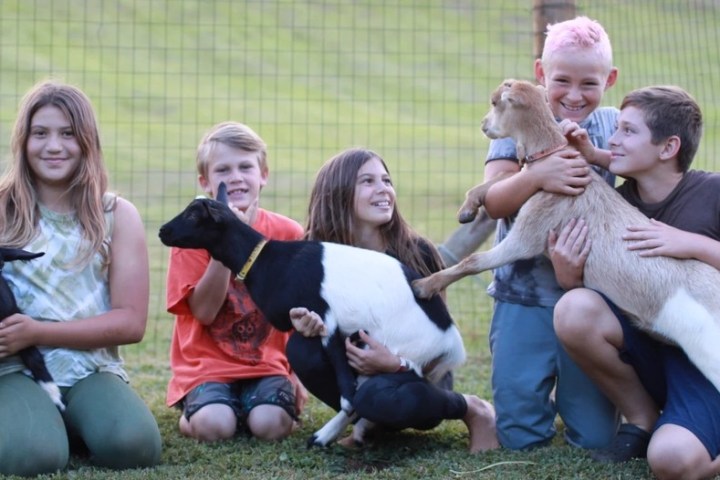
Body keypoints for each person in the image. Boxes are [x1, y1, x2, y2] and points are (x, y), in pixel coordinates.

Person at [552, 86, 720, 479]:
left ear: (668, 147)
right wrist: (570, 277)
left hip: (707, 360)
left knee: (672, 462)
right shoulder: (613, 205)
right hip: (651, 346)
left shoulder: (712, 192)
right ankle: (641, 418)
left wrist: (694, 244)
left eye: (628, 131)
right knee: (574, 309)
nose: (611, 139)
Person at [287, 147, 499, 453]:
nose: (383, 189)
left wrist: (396, 364)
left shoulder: (418, 253)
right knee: (301, 347)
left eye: (386, 180)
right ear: (337, 193)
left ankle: (473, 409)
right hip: (360, 372)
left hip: (420, 373)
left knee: (384, 395)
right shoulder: (317, 257)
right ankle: (367, 421)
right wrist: (310, 325)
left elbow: (440, 346)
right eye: (368, 181)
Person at [0, 80, 162, 476]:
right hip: (13, 367)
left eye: (67, 134)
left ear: (87, 141)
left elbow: (131, 322)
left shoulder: (116, 215)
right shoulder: (2, 208)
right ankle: (35, 422)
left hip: (88, 367)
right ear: (23, 141)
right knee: (34, 457)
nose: (53, 146)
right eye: (40, 133)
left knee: (134, 446)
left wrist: (38, 332)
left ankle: (66, 418)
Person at [479, 16, 622, 450]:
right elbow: (494, 199)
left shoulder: (616, 126)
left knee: (597, 439)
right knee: (519, 436)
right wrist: (540, 173)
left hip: (589, 300)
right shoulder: (515, 118)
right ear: (541, 74)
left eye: (589, 84)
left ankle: (578, 397)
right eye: (562, 80)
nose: (574, 95)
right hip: (523, 293)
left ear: (609, 80)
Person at [165, 121, 307, 443]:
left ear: (264, 175)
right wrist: (222, 242)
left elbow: (299, 316)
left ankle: (260, 403)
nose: (236, 178)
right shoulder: (189, 238)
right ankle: (196, 413)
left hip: (265, 365)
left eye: (246, 167)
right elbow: (203, 313)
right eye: (223, 170)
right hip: (207, 366)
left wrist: (297, 374)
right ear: (205, 181)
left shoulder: (288, 234)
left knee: (271, 426)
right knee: (215, 427)